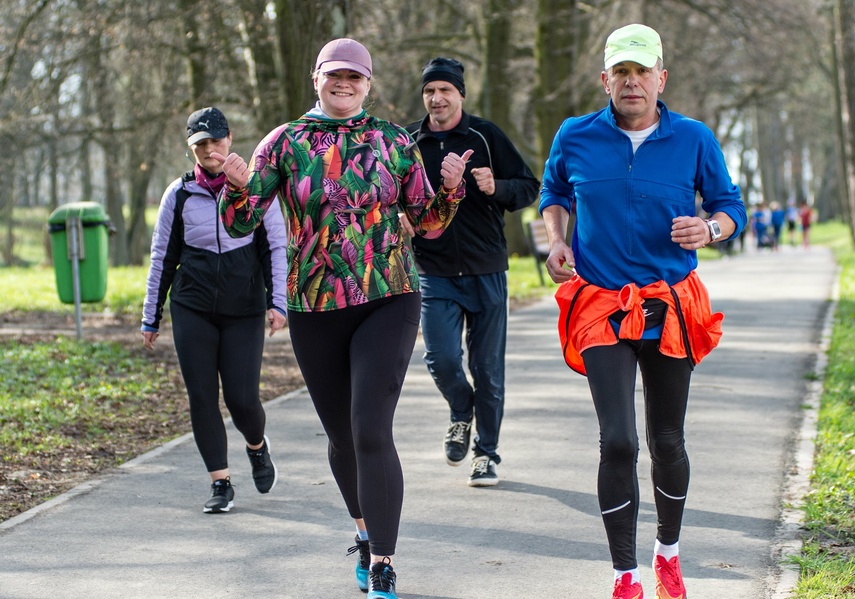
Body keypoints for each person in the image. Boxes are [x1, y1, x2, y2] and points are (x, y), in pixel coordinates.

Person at [214, 39, 471, 599]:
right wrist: (235, 185)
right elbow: (239, 224)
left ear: (368, 84)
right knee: (342, 436)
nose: (345, 84)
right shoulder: (283, 143)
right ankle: (363, 532)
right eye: (336, 75)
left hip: (389, 295)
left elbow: (426, 221)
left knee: (371, 429)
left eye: (355, 77)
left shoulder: (394, 140)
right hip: (315, 304)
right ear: (317, 79)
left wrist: (449, 189)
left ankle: (383, 561)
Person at [539, 24, 746, 599]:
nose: (632, 83)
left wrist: (709, 228)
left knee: (667, 441)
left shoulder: (694, 138)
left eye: (642, 72)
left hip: (669, 303)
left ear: (661, 78)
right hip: (602, 301)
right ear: (605, 80)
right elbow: (553, 193)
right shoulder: (575, 135)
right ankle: (624, 574)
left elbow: (731, 207)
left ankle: (669, 554)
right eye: (621, 73)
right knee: (619, 442)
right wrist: (556, 239)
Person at [141, 106, 287, 514]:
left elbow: (276, 246)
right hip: (193, 307)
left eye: (215, 141)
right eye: (200, 144)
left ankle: (257, 447)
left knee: (242, 400)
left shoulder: (258, 189)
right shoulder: (180, 194)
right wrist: (150, 316)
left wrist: (278, 303)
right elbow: (162, 258)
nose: (210, 149)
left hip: (243, 309)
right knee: (202, 396)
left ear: (230, 140)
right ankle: (220, 482)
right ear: (192, 149)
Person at [404, 58, 540, 487]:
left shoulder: (486, 136)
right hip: (434, 270)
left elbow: (528, 188)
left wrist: (495, 186)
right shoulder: (409, 142)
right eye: (429, 91)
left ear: (461, 94)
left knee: (487, 369)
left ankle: (487, 454)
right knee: (441, 359)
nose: (437, 98)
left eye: (445, 90)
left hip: (485, 270)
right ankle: (461, 411)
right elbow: (392, 197)